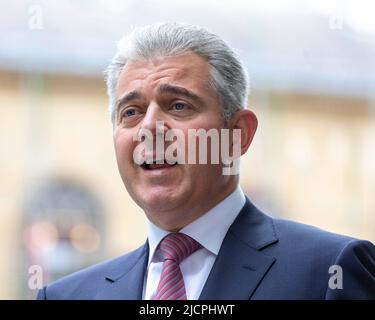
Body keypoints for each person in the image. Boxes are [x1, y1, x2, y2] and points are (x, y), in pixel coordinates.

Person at [37, 22, 375, 300]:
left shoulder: (330, 271)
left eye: (179, 106)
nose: (149, 127)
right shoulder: (66, 296)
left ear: (238, 134)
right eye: (131, 112)